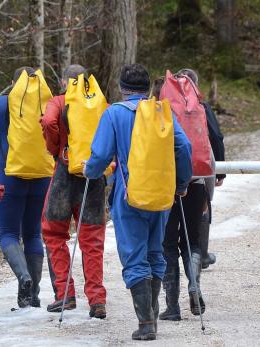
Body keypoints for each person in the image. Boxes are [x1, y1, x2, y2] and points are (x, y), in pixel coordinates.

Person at [84, 64, 193, 340]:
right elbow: (184, 147)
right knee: (155, 253)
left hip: (128, 195)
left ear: (121, 88)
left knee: (134, 256)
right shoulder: (161, 112)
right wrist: (180, 184)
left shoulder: (114, 114)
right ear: (147, 89)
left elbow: (99, 156)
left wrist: (90, 172)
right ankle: (152, 316)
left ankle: (146, 323)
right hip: (161, 195)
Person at [155, 68, 225, 322]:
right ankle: (194, 284)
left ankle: (172, 308)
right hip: (196, 183)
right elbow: (216, 139)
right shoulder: (202, 109)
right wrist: (220, 174)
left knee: (168, 245)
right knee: (192, 241)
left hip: (167, 184)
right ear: (194, 88)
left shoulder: (162, 108)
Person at [40, 64, 107, 318]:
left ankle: (65, 295)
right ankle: (97, 300)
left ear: (65, 81)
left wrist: (55, 147)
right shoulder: (100, 103)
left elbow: (47, 121)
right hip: (94, 175)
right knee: (91, 239)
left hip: (64, 173)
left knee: (53, 233)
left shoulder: (58, 101)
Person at [0, 67, 51, 308]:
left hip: (9, 175)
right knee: (33, 233)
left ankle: (23, 278)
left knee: (9, 233)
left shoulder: (0, 104)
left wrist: (1, 145)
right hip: (42, 175)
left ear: (13, 83)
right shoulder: (47, 103)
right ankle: (33, 294)